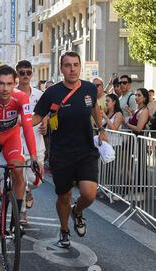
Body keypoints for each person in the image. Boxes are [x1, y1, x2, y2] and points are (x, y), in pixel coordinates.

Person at [32, 51, 108, 248]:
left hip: (85, 151)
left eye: (76, 65)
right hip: (61, 153)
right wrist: (15, 126)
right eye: (68, 65)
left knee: (89, 193)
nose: (72, 69)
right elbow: (37, 116)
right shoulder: (52, 93)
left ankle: (77, 211)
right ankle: (64, 230)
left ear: (80, 66)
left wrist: (101, 129)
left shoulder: (90, 88)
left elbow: (95, 109)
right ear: (61, 69)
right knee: (64, 196)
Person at [0, 65, 38, 235]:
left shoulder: (22, 98)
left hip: (11, 137)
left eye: (9, 84)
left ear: (15, 83)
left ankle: (15, 220)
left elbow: (26, 126)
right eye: (1, 84)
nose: (5, 89)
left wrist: (33, 156)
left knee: (18, 171)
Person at [14, 60, 46, 225]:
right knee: (19, 180)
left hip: (37, 144)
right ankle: (22, 213)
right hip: (17, 145)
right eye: (22, 73)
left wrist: (45, 124)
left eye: (28, 72)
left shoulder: (39, 95)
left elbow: (44, 114)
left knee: (37, 179)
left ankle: (28, 191)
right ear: (17, 74)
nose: (25, 76)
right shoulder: (11, 94)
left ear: (31, 74)